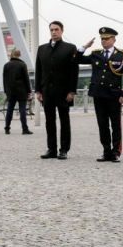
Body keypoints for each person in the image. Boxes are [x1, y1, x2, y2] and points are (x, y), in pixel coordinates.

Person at [78, 27, 123, 162]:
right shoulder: (96, 53)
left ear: (113, 39)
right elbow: (77, 59)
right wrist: (84, 47)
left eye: (107, 38)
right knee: (102, 125)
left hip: (114, 96)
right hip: (99, 95)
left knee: (115, 125)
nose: (104, 41)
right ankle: (106, 151)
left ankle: (116, 152)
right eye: (102, 38)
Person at [35, 21, 78, 160]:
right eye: (52, 30)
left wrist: (72, 91)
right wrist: (38, 90)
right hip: (47, 91)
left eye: (56, 29)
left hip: (64, 92)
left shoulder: (70, 48)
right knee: (49, 121)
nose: (54, 32)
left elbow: (74, 72)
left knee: (64, 120)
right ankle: (51, 149)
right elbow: (38, 71)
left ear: (62, 31)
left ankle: (64, 149)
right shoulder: (42, 49)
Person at [2, 48, 33, 135]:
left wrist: (6, 91)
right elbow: (26, 79)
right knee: (22, 110)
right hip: (21, 91)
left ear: (12, 55)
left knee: (9, 109)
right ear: (19, 55)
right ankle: (24, 129)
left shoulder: (6, 65)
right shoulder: (22, 65)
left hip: (10, 92)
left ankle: (7, 128)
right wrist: (29, 91)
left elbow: (4, 80)